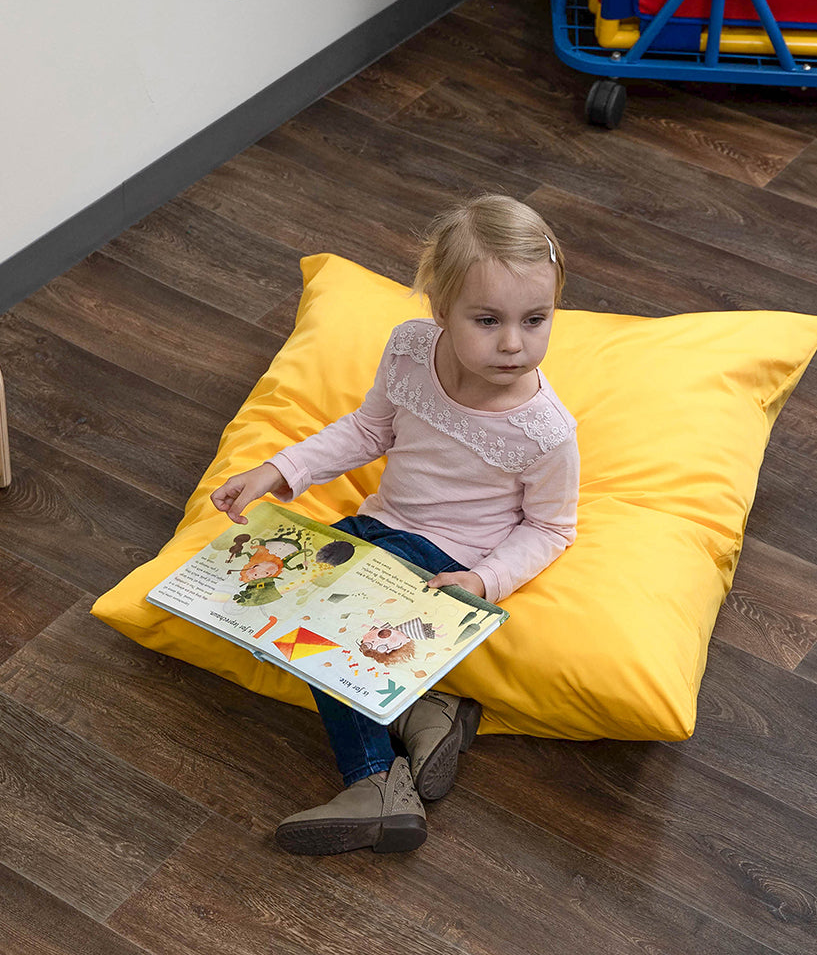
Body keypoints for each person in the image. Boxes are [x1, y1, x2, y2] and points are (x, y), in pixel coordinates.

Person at [211, 194, 580, 856]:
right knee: (290, 592)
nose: (512, 343)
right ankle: (425, 711)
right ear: (440, 310)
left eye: (535, 319)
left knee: (322, 621)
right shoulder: (411, 350)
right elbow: (368, 429)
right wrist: (279, 471)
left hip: (443, 563)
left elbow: (551, 528)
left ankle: (375, 780)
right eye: (487, 319)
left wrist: (485, 579)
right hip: (379, 530)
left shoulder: (545, 431)